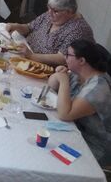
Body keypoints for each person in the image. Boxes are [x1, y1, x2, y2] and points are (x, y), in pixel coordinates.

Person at [47, 39, 111, 167]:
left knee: (50, 160)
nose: (65, 57)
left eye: (69, 55)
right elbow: (51, 85)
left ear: (81, 61)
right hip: (75, 131)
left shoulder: (98, 88)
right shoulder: (80, 73)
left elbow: (65, 114)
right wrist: (60, 75)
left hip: (94, 144)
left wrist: (64, 81)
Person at [6, 0, 95, 66]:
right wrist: (16, 26)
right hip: (27, 52)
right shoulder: (51, 14)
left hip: (44, 68)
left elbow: (62, 58)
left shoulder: (78, 30)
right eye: (49, 8)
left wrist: (32, 56)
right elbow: (29, 27)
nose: (49, 13)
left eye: (55, 11)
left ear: (70, 12)